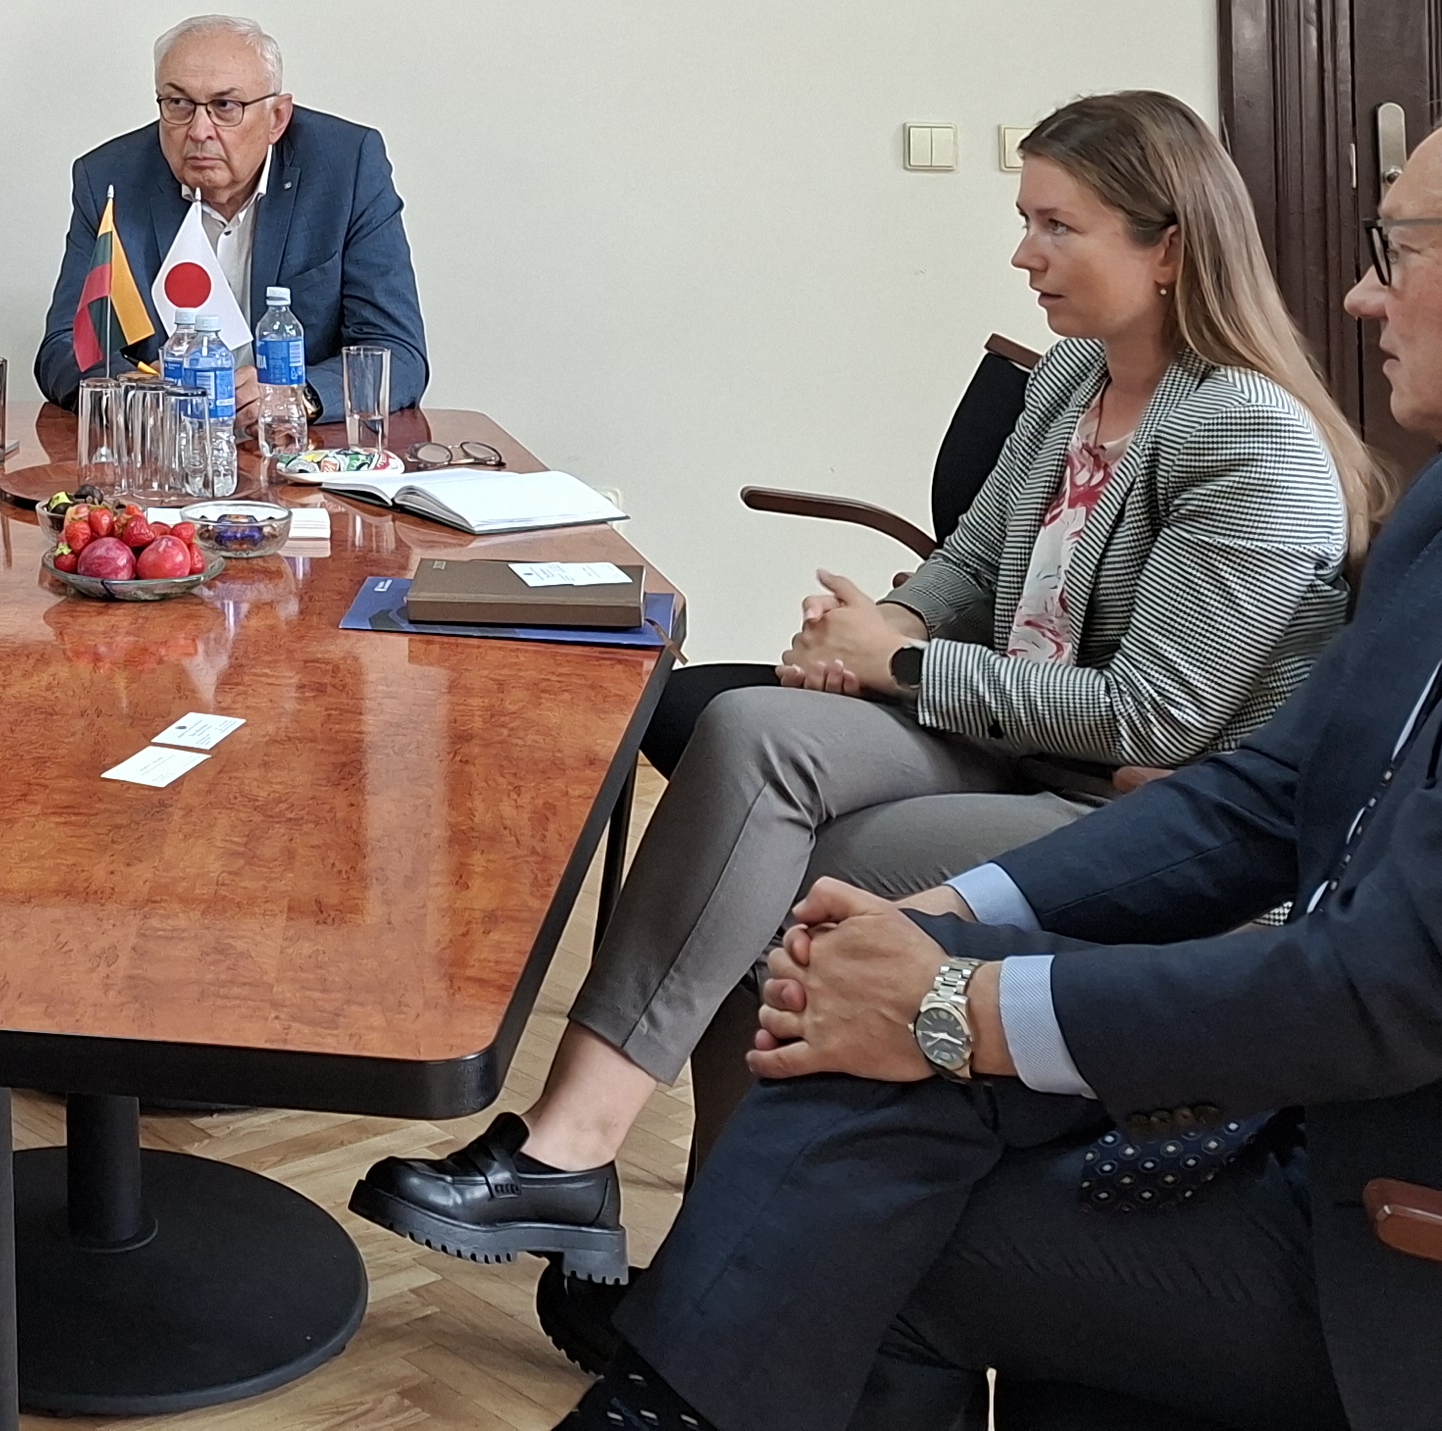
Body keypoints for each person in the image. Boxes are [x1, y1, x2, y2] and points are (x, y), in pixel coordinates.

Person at [563, 56, 1442, 1431]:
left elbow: (1402, 982)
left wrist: (954, 1005)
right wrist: (949, 921)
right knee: (851, 1076)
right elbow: (1268, 797)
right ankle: (662, 1399)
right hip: (1354, 1112)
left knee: (865, 1231)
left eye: (1400, 252)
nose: (1360, 295)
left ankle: (665, 1399)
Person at [352, 89, 1378, 1305]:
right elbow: (975, 560)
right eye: (1025, 220)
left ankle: (688, 1249)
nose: (1023, 254)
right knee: (747, 727)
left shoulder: (1248, 436)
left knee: (785, 875)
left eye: (1057, 226)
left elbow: (1151, 717)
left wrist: (894, 666)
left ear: (1169, 250)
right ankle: (579, 1157)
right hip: (1013, 743)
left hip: (1147, 814)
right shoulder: (1073, 377)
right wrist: (888, 626)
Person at [31, 14, 427, 420]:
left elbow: (397, 353)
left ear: (277, 118)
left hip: (295, 443)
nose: (199, 130)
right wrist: (137, 393)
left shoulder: (346, 168)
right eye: (179, 104)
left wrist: (296, 395)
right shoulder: (110, 179)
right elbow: (64, 348)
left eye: (225, 106)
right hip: (165, 441)